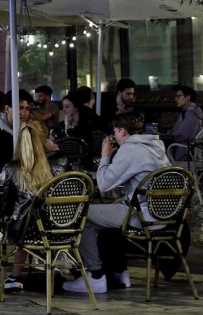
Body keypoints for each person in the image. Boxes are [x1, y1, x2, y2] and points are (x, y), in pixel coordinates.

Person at [63, 111, 170, 295]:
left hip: (142, 216)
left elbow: (104, 184)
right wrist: (122, 200)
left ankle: (95, 276)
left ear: (121, 131)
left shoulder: (130, 150)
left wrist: (105, 155)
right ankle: (120, 272)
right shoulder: (157, 146)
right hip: (164, 215)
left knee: (80, 215)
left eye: (114, 130)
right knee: (110, 212)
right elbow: (143, 187)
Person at [0, 119, 63, 290]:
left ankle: (16, 275)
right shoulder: (60, 165)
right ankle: (49, 265)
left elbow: (7, 205)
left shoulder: (12, 168)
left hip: (27, 231)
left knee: (21, 220)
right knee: (33, 218)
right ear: (44, 140)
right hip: (62, 227)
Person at [170, 85, 203, 161]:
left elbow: (182, 134)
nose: (176, 99)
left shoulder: (190, 113)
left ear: (188, 98)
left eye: (178, 96)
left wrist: (172, 134)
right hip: (187, 149)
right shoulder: (187, 111)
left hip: (185, 152)